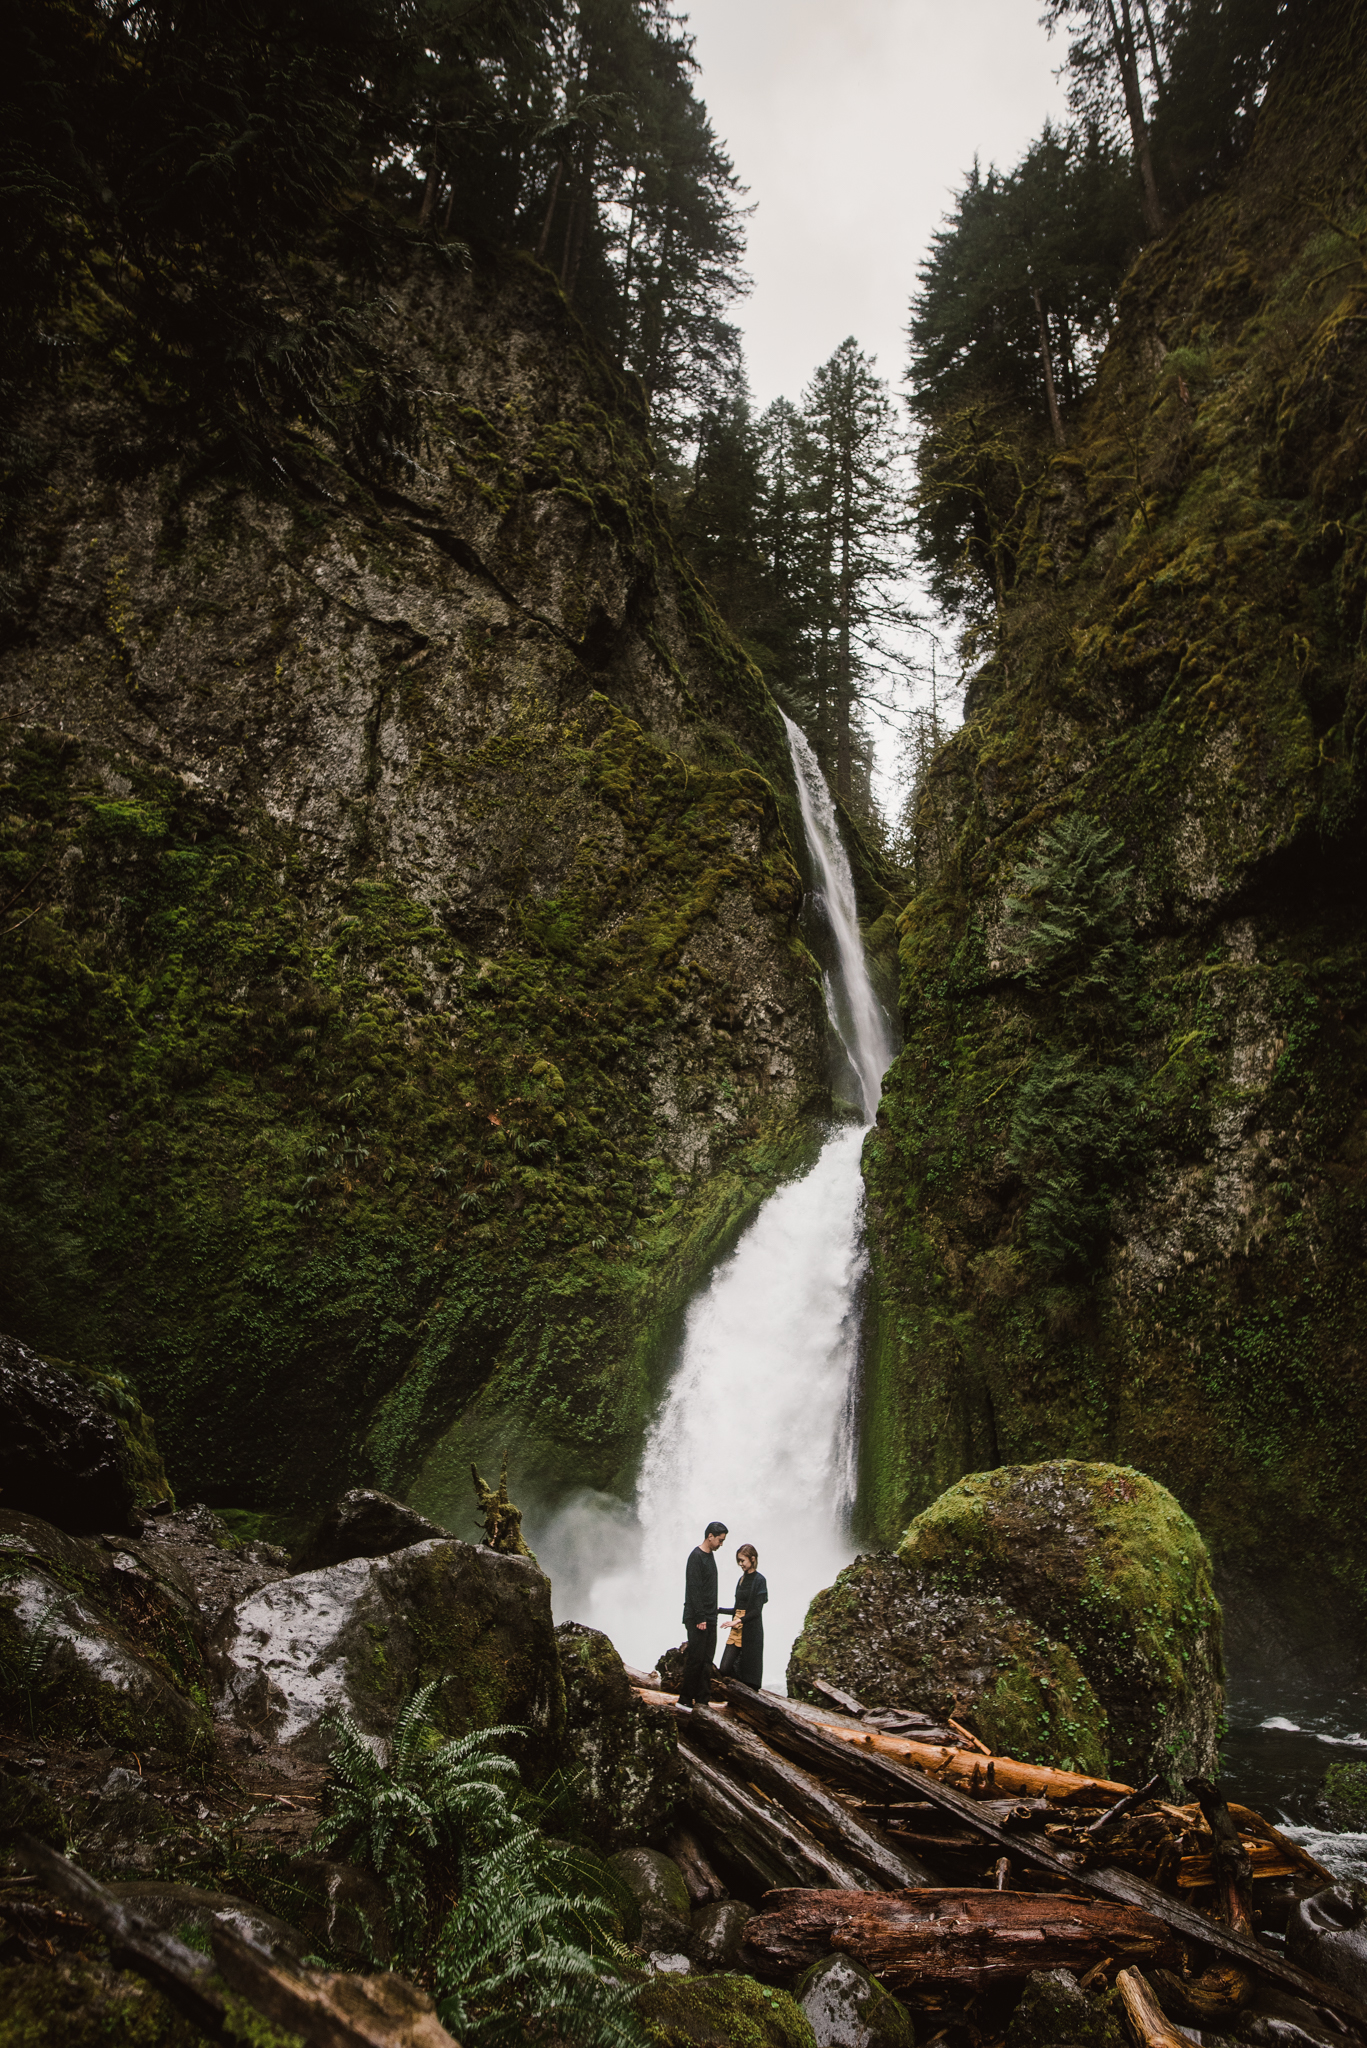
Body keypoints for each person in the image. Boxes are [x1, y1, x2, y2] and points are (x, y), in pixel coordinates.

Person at [677, 1520, 728, 1707]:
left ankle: (702, 1700)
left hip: (710, 1617)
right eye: (720, 1540)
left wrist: (712, 1615)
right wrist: (700, 1617)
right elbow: (694, 1588)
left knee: (707, 1661)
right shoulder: (696, 1556)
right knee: (696, 1660)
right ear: (710, 1536)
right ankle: (684, 1700)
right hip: (698, 1618)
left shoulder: (709, 1555)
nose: (721, 1544)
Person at [718, 1544, 768, 1690]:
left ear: (752, 1559)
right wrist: (719, 1610)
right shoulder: (741, 1580)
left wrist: (738, 1621)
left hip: (751, 1629)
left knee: (749, 1674)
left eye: (742, 1561)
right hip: (736, 1628)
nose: (740, 1564)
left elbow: (756, 1611)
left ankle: (744, 1700)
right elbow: (737, 1608)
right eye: (738, 1561)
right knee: (725, 1668)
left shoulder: (760, 1580)